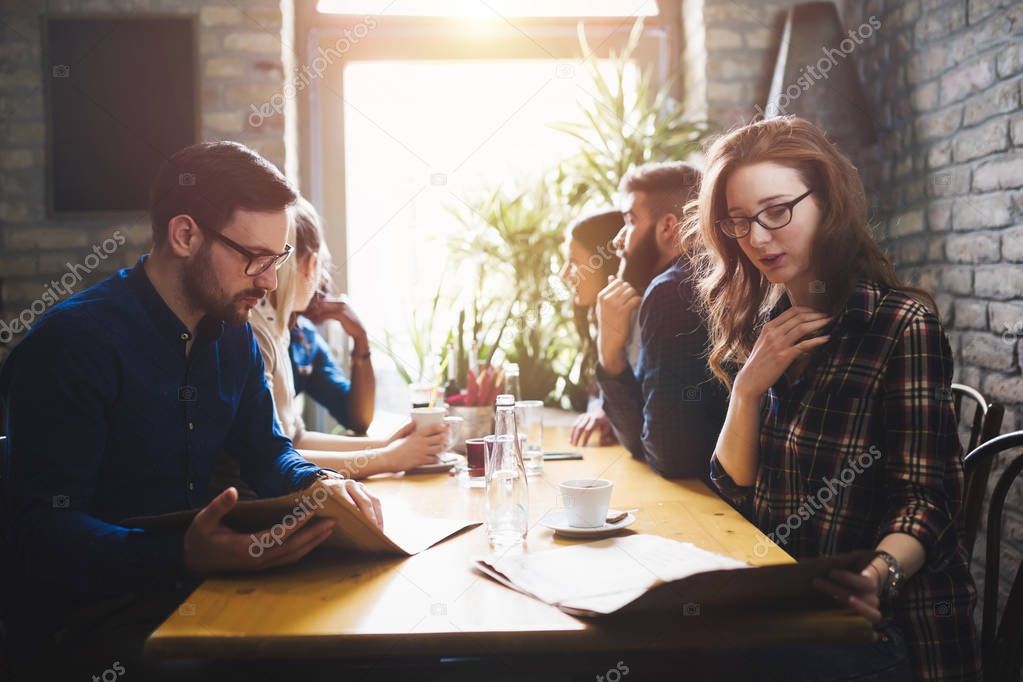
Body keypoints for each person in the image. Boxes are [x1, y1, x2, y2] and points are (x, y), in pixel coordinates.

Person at [0, 141, 381, 678]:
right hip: (93, 628)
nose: (270, 282)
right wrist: (183, 553)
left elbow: (268, 451)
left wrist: (317, 483)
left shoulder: (234, 339)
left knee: (357, 638)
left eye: (277, 260)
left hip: (200, 596)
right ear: (185, 235)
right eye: (255, 259)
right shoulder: (72, 345)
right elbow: (44, 534)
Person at [690, 117, 979, 680]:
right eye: (741, 222)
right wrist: (747, 389)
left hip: (882, 625)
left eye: (777, 211)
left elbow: (927, 501)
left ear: (826, 202)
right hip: (789, 610)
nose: (759, 238)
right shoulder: (769, 327)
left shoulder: (898, 324)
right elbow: (734, 489)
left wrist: (876, 576)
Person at [249, 196, 447, 477]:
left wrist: (388, 445)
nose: (323, 282)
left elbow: (296, 438)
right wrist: (391, 457)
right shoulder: (258, 334)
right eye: (321, 269)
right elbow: (275, 458)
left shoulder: (285, 333)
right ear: (310, 265)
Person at [595, 162, 727, 479]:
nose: (617, 240)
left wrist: (609, 354)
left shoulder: (670, 292)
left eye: (630, 221)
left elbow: (667, 455)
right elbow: (651, 435)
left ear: (669, 227)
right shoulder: (701, 280)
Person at [560, 210, 623, 447]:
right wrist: (602, 409)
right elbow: (598, 399)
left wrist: (609, 412)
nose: (564, 273)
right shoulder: (598, 320)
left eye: (574, 263)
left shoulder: (639, 322)